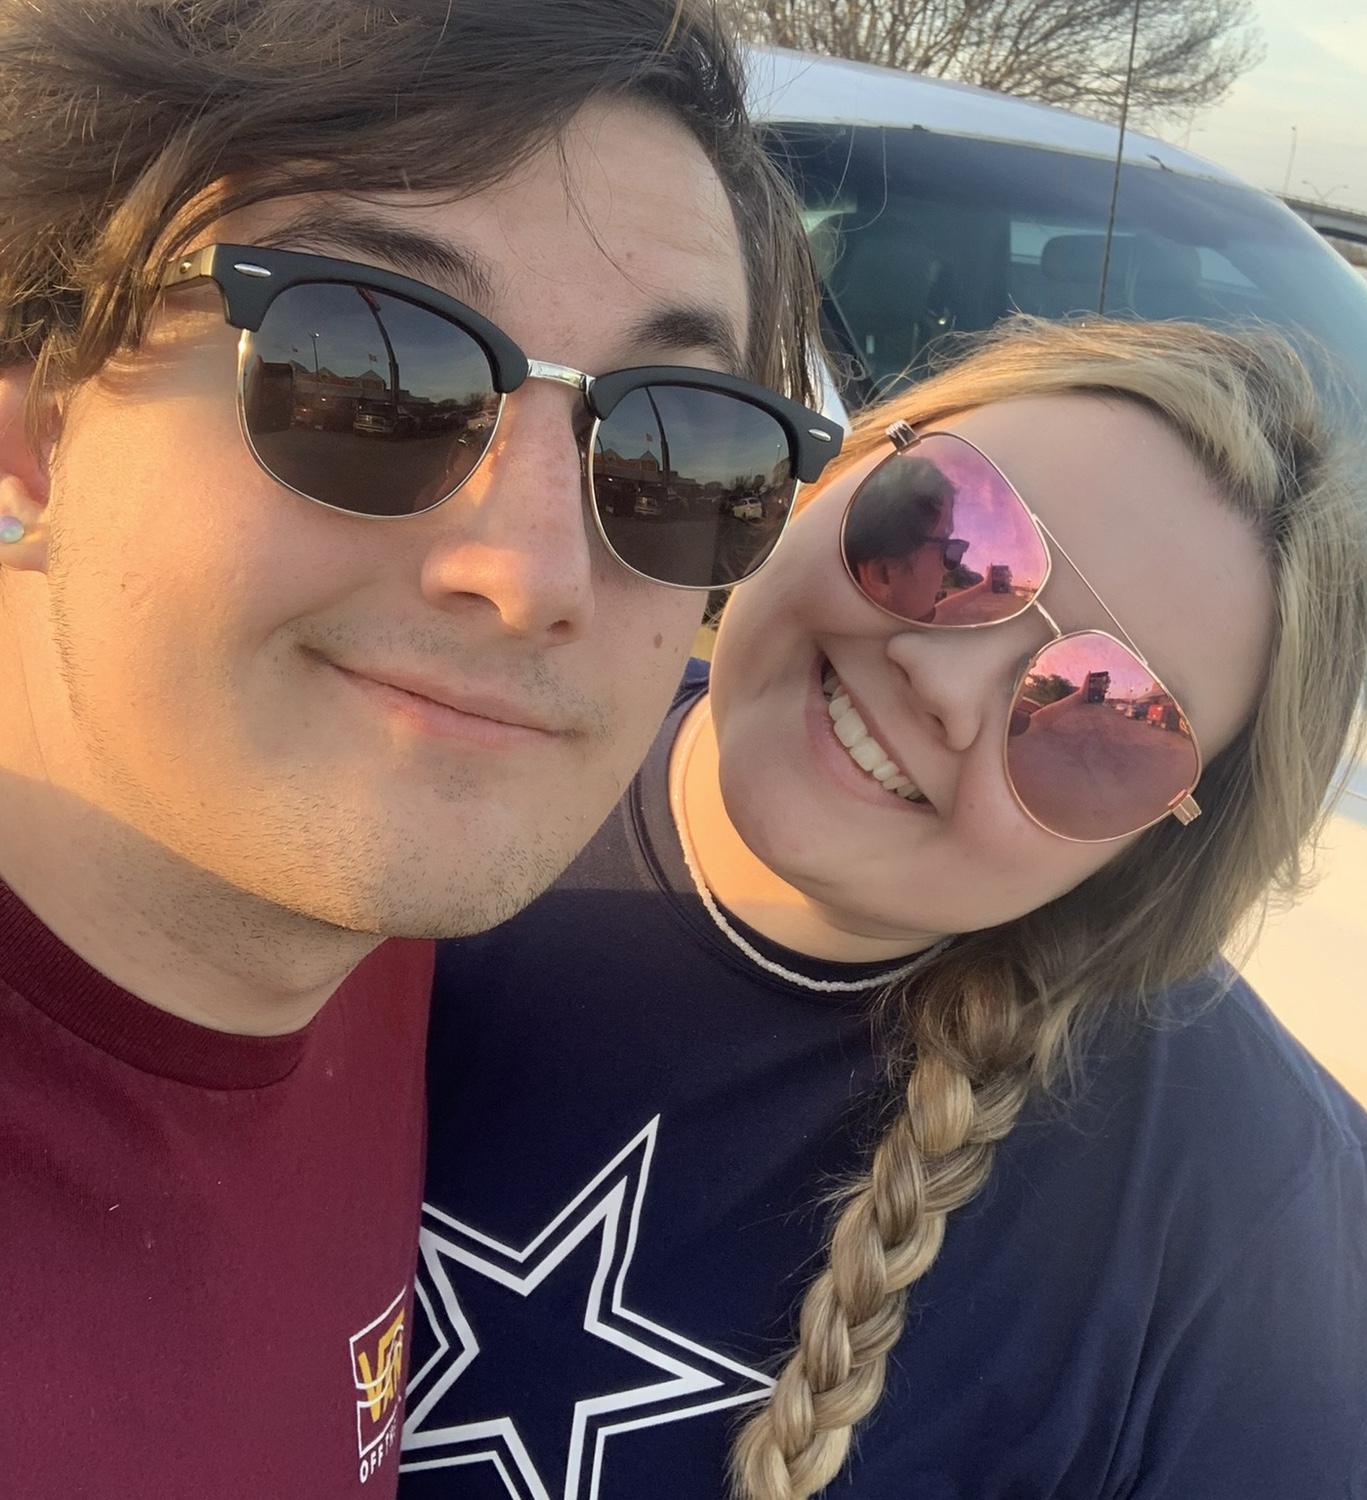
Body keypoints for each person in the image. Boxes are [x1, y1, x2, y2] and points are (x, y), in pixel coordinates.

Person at [0, 1, 835, 1494]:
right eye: (369, 376)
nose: (535, 576)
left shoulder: (370, 891)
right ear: (37, 434)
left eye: (674, 445)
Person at [415, 317, 1367, 1500]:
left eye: (1103, 722)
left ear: (1155, 856)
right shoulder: (429, 753)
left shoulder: (1249, 1213)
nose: (942, 682)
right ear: (837, 472)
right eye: (944, 530)